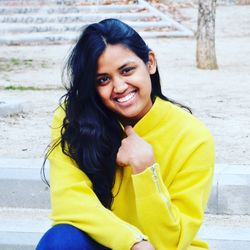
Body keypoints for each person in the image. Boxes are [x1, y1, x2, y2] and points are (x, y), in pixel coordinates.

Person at [36, 18, 215, 250]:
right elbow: (69, 203)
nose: (119, 87)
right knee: (60, 241)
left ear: (150, 63)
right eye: (103, 79)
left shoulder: (193, 137)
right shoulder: (74, 119)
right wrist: (132, 242)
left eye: (127, 70)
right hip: (110, 243)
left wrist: (145, 171)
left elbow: (172, 242)